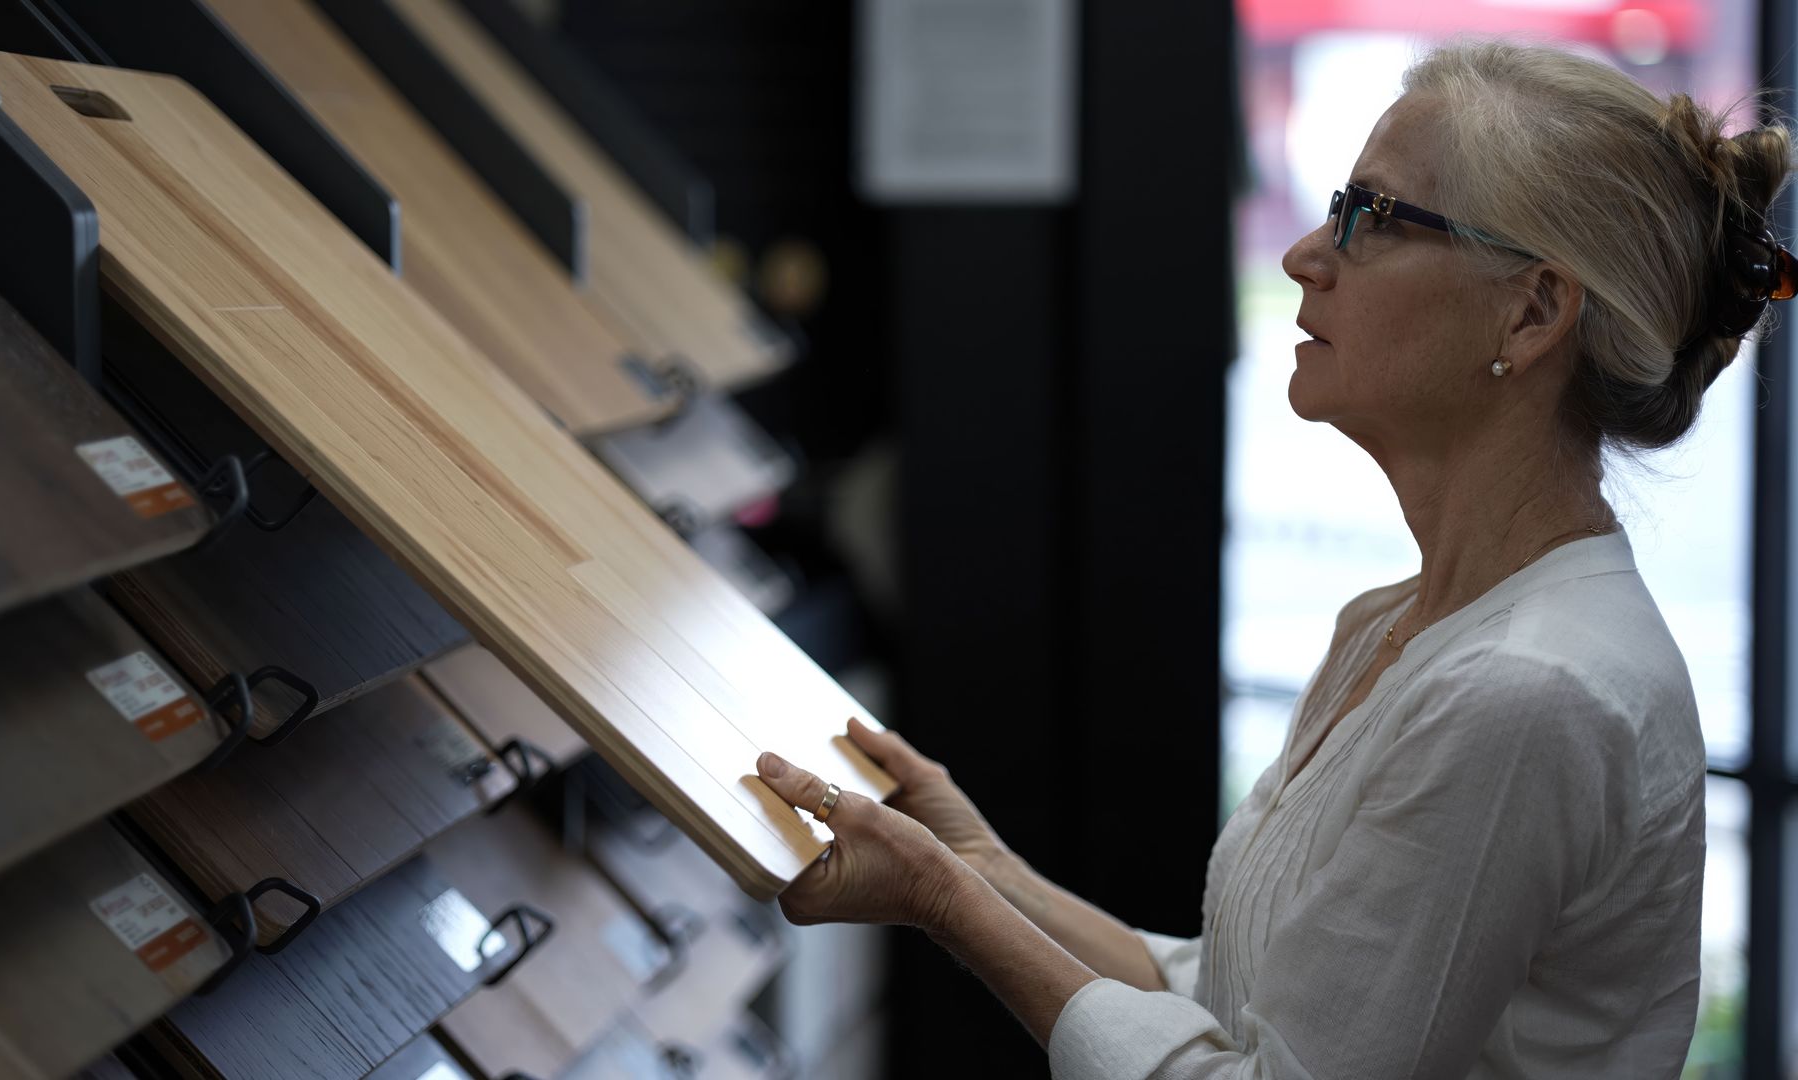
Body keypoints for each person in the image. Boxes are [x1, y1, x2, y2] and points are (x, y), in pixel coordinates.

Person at [752, 39, 1797, 1078]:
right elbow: (1249, 1006)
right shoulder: (1405, 624)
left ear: (1530, 312)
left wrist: (946, 900)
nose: (1305, 254)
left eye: (1369, 216)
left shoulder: (1526, 695)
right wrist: (987, 868)